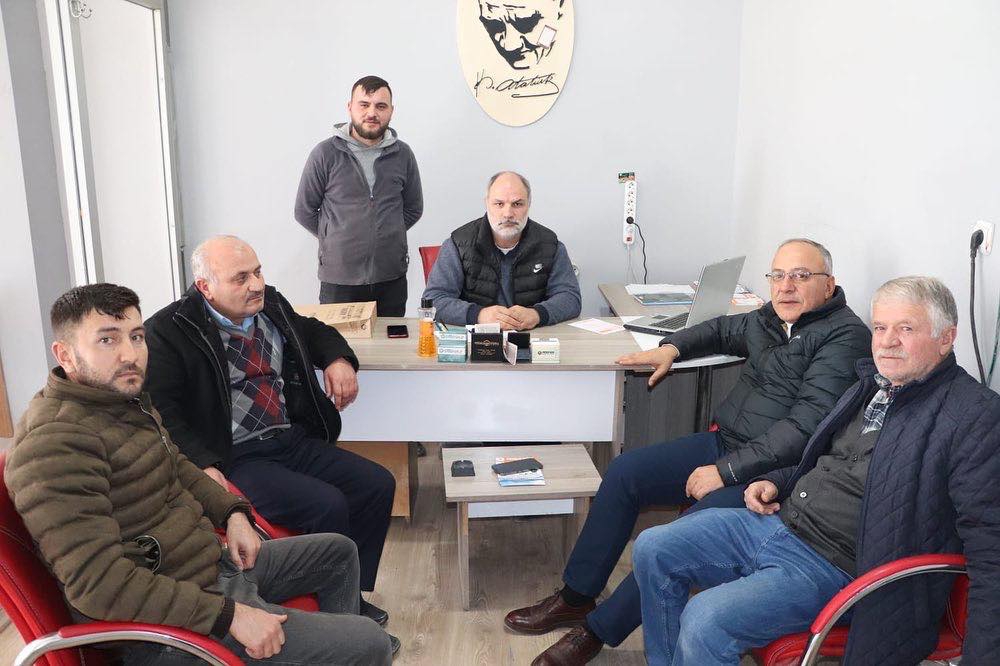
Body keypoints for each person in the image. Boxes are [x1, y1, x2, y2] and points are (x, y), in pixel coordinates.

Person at [507, 239, 872, 665]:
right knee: (625, 473)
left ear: (829, 285)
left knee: (677, 538)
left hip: (770, 475)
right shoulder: (773, 318)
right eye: (778, 275)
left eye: (801, 276)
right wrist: (672, 347)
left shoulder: (845, 337)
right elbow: (721, 330)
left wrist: (725, 471)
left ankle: (596, 631)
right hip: (726, 443)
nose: (786, 286)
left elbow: (804, 430)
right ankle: (576, 596)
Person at [4, 283, 395, 664]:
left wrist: (233, 513)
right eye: (107, 340)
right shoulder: (55, 445)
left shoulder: (120, 402)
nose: (130, 354)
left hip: (206, 571)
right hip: (164, 630)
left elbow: (177, 465)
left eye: (136, 337)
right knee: (369, 643)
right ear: (66, 354)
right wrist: (229, 616)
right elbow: (100, 587)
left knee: (338, 553)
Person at [633, 276, 1000, 666]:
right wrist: (776, 480)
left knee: (706, 619)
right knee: (653, 547)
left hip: (838, 567)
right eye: (880, 328)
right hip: (781, 523)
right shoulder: (872, 385)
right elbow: (826, 458)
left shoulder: (973, 416)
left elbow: (991, 549)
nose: (887, 341)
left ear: (946, 338)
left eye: (906, 329)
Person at [143, 235, 396, 628]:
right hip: (236, 457)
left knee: (376, 484)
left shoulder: (271, 305)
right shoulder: (169, 331)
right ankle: (340, 619)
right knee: (327, 504)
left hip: (290, 439)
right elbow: (163, 411)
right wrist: (204, 463)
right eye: (241, 278)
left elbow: (312, 330)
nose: (256, 285)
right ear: (205, 287)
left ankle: (348, 597)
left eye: (258, 272)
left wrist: (338, 358)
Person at [294, 75, 423, 316]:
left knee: (390, 339)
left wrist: (388, 231)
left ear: (391, 111)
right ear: (350, 107)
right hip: (339, 280)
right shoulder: (325, 154)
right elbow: (304, 211)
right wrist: (334, 237)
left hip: (391, 278)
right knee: (338, 340)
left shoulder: (403, 154)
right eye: (364, 104)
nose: (372, 113)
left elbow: (413, 208)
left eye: (380, 106)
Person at [422, 171, 581, 329]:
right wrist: (478, 315)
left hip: (533, 336)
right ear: (486, 203)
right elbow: (434, 300)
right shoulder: (458, 244)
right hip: (476, 338)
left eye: (517, 204)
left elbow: (570, 298)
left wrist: (537, 314)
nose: (508, 214)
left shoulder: (550, 244)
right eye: (499, 204)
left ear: (529, 204)